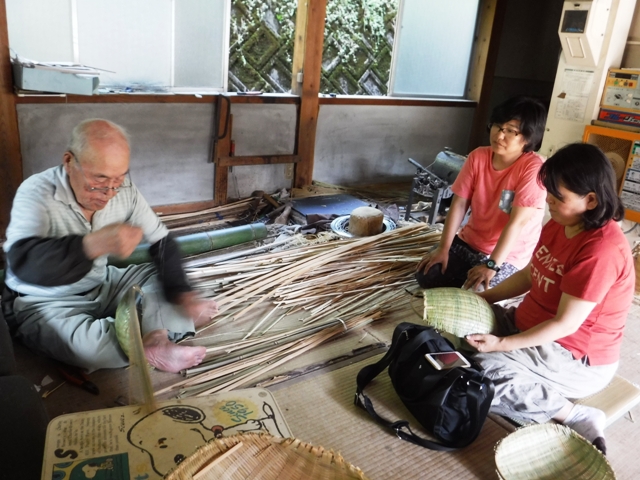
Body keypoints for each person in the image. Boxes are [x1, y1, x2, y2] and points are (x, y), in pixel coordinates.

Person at [1, 119, 218, 373]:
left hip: (103, 284)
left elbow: (162, 242)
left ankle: (154, 339)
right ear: (69, 162)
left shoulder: (122, 189)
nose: (109, 192)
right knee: (89, 351)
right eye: (99, 179)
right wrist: (91, 245)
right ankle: (154, 330)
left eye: (118, 179)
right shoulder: (37, 191)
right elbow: (23, 263)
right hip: (46, 300)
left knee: (165, 278)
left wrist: (182, 293)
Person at [466, 143, 634, 454]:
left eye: (559, 199)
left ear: (591, 200)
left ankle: (576, 415)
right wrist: (484, 299)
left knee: (482, 372)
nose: (550, 205)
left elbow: (564, 325)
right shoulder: (562, 222)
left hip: (573, 357)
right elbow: (530, 274)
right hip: (528, 324)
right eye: (550, 196)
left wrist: (502, 345)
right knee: (458, 327)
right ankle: (518, 376)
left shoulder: (601, 250)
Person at [416, 96, 548, 292]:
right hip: (470, 242)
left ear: (529, 137)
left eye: (510, 131)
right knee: (427, 275)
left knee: (475, 295)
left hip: (507, 256)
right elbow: (459, 204)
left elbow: (517, 222)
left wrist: (491, 265)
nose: (499, 135)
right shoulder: (478, 156)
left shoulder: (533, 168)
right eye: (497, 126)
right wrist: (443, 248)